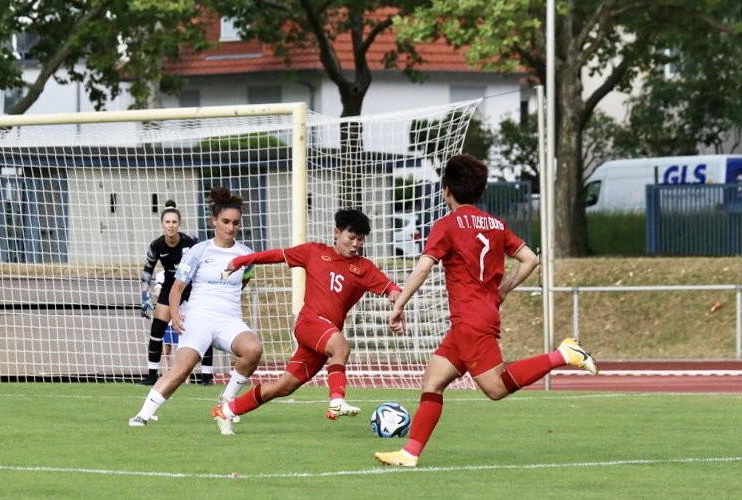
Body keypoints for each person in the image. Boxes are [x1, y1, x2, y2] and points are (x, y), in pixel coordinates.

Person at [374, 154, 599, 467]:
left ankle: (563, 354)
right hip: (477, 316)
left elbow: (424, 267)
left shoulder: (447, 225)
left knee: (495, 388)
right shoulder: (496, 224)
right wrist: (503, 290)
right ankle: (409, 454)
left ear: (446, 190)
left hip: (469, 319)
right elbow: (530, 260)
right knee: (433, 380)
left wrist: (399, 304)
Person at [211, 209, 402, 435]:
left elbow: (392, 288)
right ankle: (337, 400)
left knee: (284, 386)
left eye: (360, 239)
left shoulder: (364, 268)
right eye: (351, 237)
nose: (355, 244)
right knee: (341, 347)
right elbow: (277, 255)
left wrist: (397, 302)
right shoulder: (314, 251)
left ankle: (227, 410)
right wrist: (243, 260)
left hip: (325, 335)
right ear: (336, 233)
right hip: (310, 323)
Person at [129, 187, 263, 427]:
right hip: (199, 318)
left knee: (253, 349)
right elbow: (177, 287)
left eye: (235, 223)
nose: (230, 227)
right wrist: (177, 313)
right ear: (214, 221)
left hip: (229, 320)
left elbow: (244, 280)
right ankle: (143, 414)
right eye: (225, 222)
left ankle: (227, 400)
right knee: (182, 369)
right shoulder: (198, 251)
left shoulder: (246, 255)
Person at [138, 201, 215, 386]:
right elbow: (147, 271)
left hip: (190, 288)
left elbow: (206, 262)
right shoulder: (156, 245)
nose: (170, 225)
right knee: (157, 329)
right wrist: (144, 298)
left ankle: (206, 376)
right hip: (170, 288)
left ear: (178, 224)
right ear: (162, 224)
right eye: (167, 222)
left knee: (202, 328)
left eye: (174, 222)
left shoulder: (191, 242)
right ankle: (151, 375)